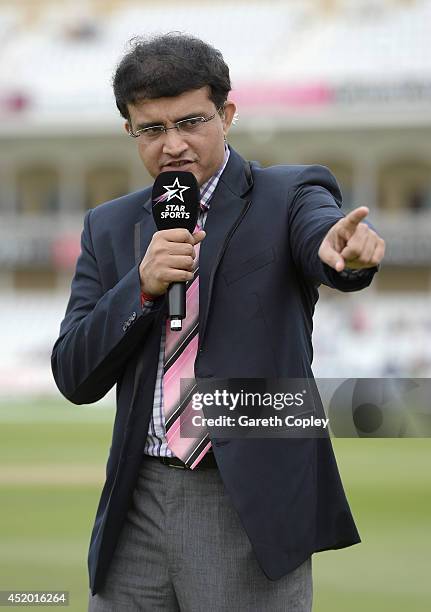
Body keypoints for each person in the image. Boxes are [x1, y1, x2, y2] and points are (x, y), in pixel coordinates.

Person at [51, 33, 385, 612]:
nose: (173, 145)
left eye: (191, 122)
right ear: (130, 131)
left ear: (226, 114)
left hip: (246, 495)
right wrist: (142, 285)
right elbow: (74, 374)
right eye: (151, 129)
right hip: (136, 501)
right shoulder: (108, 226)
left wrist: (341, 255)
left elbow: (321, 238)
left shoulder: (288, 193)